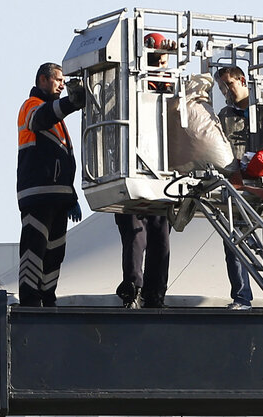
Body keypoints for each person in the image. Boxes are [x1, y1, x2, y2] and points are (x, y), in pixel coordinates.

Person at [214, 66, 263, 310]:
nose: (226, 91)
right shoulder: (224, 115)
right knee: (235, 244)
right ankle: (241, 298)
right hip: (238, 187)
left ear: (243, 80)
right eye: (222, 87)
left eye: (229, 85)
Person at [16, 62, 85, 307]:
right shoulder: (31, 106)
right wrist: (70, 103)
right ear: (43, 80)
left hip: (58, 196)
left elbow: (63, 159)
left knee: (55, 253)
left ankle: (47, 298)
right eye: (58, 81)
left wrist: (71, 196)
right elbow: (41, 119)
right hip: (38, 193)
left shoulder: (56, 115)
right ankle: (30, 301)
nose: (62, 86)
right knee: (34, 248)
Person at [114, 33, 174, 309]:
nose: (162, 62)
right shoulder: (130, 86)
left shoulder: (169, 89)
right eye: (158, 57)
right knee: (136, 233)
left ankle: (154, 293)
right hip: (133, 174)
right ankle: (133, 288)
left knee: (160, 238)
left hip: (161, 177)